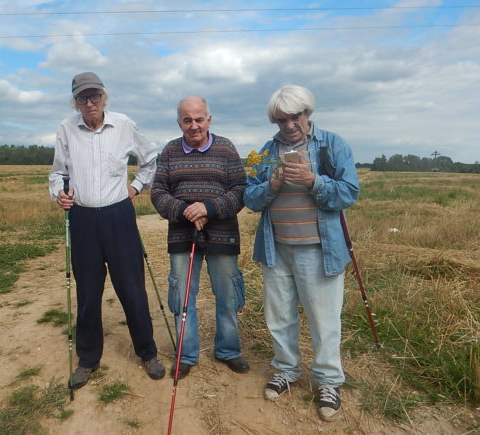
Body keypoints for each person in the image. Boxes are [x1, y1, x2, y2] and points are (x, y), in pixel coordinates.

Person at [243, 85, 359, 421]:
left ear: (308, 113)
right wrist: (272, 185)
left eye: (296, 116)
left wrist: (313, 181)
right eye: (282, 119)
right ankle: (285, 369)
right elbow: (249, 197)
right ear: (274, 120)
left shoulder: (332, 145)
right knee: (279, 317)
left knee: (324, 320)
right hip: (276, 248)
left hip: (318, 250)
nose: (289, 124)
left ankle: (327, 381)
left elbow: (349, 192)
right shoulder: (265, 152)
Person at [49, 72, 165, 388]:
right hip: (83, 219)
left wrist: (137, 186)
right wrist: (58, 193)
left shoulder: (124, 124)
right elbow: (57, 173)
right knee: (88, 293)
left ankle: (147, 352)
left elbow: (150, 158)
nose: (90, 103)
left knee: (132, 289)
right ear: (75, 102)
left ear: (104, 98)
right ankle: (88, 359)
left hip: (119, 216)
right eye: (83, 98)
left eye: (95, 96)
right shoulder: (66, 129)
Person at [151, 96, 249, 380]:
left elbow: (240, 189)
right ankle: (186, 353)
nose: (193, 126)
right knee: (182, 296)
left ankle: (229, 350)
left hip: (223, 235)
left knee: (228, 295)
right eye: (187, 120)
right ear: (179, 121)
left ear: (209, 119)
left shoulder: (227, 148)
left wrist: (209, 208)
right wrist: (186, 212)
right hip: (182, 235)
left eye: (199, 119)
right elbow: (158, 193)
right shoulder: (169, 151)